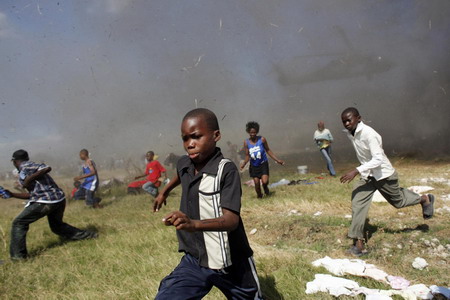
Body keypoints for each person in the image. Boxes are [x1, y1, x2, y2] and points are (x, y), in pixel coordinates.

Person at [153, 108, 263, 300]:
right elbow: (179, 175)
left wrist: (193, 224)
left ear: (216, 135)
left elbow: (231, 220)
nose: (190, 144)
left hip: (231, 261)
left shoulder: (226, 171)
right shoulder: (184, 163)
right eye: (185, 139)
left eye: (196, 137)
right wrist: (164, 192)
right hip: (195, 259)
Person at [340, 107, 435, 256]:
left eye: (349, 120)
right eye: (344, 121)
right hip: (368, 176)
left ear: (359, 118)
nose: (346, 124)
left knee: (398, 201)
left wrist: (356, 170)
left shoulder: (369, 134)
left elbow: (377, 159)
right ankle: (359, 244)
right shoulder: (350, 133)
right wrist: (361, 171)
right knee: (357, 203)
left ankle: (424, 199)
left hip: (383, 174)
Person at [4, 149, 97, 260]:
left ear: (15, 161)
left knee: (19, 223)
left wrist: (29, 179)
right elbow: (33, 195)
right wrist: (12, 194)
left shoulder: (26, 166)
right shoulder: (24, 172)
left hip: (47, 201)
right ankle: (90, 235)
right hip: (58, 199)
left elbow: (46, 167)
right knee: (57, 227)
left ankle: (18, 257)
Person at [240, 121, 284, 198]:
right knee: (256, 183)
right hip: (254, 166)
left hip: (263, 164)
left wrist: (277, 160)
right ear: (248, 132)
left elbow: (268, 150)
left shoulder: (262, 139)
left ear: (256, 131)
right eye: (251, 132)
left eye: (254, 132)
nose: (252, 134)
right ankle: (260, 196)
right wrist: (243, 164)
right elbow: (247, 155)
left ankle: (265, 188)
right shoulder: (246, 142)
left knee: (265, 181)